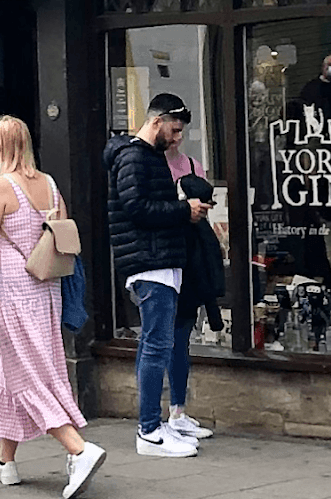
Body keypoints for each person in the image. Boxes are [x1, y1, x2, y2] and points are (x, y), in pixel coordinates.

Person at [0, 115, 107, 498]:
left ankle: (79, 449)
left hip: (15, 296)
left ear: (1, 146)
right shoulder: (51, 186)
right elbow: (64, 234)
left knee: (28, 377)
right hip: (47, 291)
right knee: (18, 370)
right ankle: (5, 462)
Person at [103, 93, 211, 458]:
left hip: (156, 259)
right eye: (175, 130)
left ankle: (154, 424)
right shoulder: (134, 156)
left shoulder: (143, 156)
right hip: (150, 261)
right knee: (156, 345)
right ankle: (149, 429)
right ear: (158, 120)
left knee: (155, 344)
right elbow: (136, 208)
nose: (178, 138)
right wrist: (184, 209)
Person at [163, 140, 216, 442]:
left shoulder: (194, 165)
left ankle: (178, 410)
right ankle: (157, 419)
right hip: (167, 259)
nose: (177, 136)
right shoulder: (153, 167)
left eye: (181, 129)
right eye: (173, 128)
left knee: (183, 336)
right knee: (164, 339)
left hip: (192, 257)